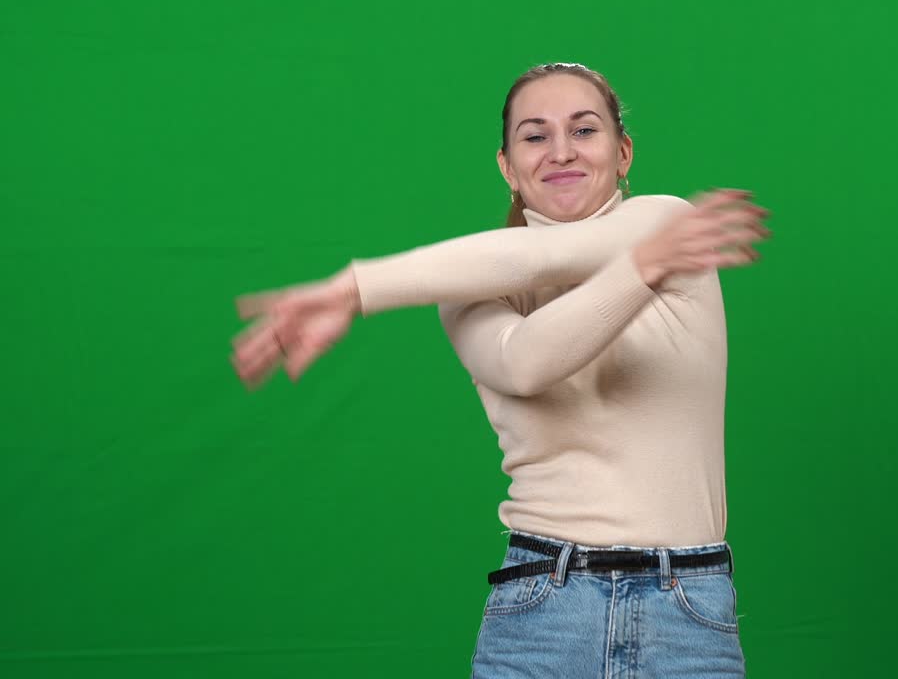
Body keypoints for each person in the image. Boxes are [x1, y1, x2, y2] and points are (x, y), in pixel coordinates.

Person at [230, 62, 770, 677]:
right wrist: (641, 270)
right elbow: (527, 362)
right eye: (535, 136)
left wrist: (356, 289)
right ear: (507, 166)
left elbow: (556, 254)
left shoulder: (668, 226)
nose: (561, 151)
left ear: (623, 153)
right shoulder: (466, 291)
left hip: (687, 612)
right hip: (544, 608)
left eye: (584, 131)